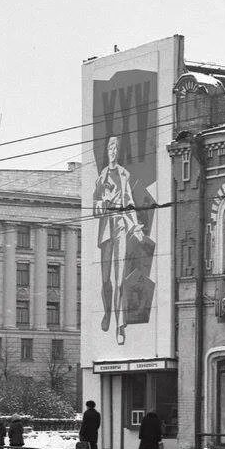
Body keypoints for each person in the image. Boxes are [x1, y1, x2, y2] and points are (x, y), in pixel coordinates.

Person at [93, 135, 145, 346]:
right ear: (107, 151)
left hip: (121, 226)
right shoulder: (101, 177)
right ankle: (106, 313)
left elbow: (130, 203)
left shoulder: (124, 174)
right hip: (106, 228)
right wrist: (102, 203)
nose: (113, 150)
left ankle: (119, 325)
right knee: (106, 279)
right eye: (110, 147)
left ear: (119, 151)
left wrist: (135, 226)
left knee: (119, 280)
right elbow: (94, 209)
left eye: (116, 147)